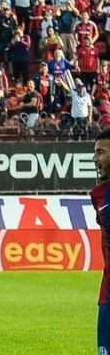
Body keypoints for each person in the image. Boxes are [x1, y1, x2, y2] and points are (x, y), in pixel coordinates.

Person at [90, 129, 110, 354]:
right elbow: (104, 238)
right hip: (108, 294)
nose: (95, 159)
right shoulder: (98, 195)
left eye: (100, 152)